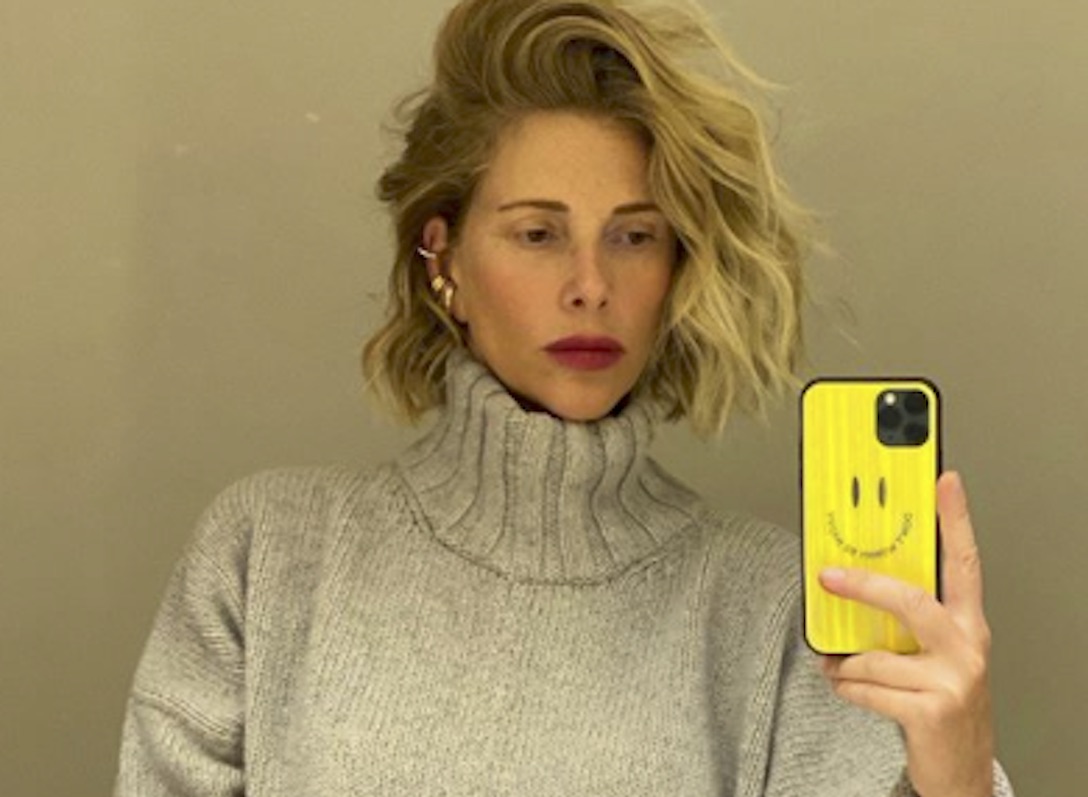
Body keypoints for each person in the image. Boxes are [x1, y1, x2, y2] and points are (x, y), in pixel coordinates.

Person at [115, 0, 1013, 795]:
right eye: (538, 233)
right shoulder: (267, 553)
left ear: (676, 267)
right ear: (443, 258)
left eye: (634, 236)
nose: (591, 285)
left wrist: (960, 779)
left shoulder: (780, 609)